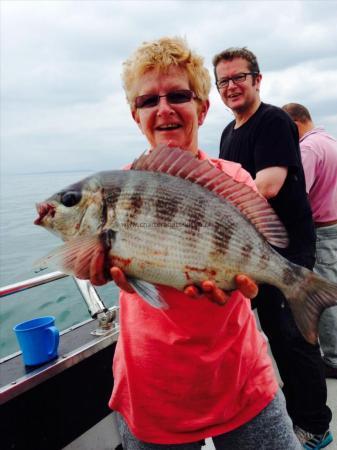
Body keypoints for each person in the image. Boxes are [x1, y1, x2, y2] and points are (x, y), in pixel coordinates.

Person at [75, 37, 302, 449]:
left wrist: (257, 282)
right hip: (153, 391)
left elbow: (255, 259)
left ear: (202, 107)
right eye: (148, 100)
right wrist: (84, 261)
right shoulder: (115, 188)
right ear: (135, 115)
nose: (163, 108)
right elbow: (84, 259)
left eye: (178, 95)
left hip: (242, 380)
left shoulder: (234, 181)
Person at [212, 47, 333, 449]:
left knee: (296, 340)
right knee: (273, 337)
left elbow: (267, 186)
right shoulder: (229, 133)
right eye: (223, 81)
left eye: (238, 77)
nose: (231, 86)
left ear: (257, 79)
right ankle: (289, 413)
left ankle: (315, 427)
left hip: (288, 253)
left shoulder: (274, 121)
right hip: (252, 254)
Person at [282, 102, 337, 380]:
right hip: (335, 226)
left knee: (324, 293)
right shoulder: (329, 140)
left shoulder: (307, 149)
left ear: (293, 125)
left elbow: (297, 194)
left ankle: (335, 359)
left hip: (322, 230)